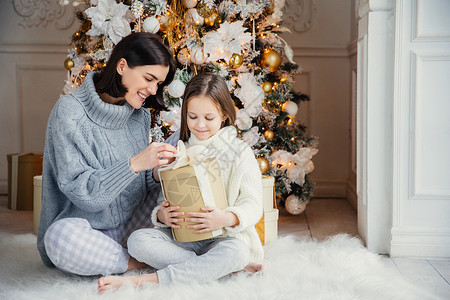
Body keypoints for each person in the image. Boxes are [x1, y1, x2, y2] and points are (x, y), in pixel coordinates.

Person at [98, 73, 264, 292]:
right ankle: (218, 269)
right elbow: (164, 199)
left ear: (224, 115)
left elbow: (253, 204)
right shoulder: (179, 150)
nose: (200, 125)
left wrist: (224, 218)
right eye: (193, 117)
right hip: (185, 239)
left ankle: (145, 281)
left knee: (238, 252)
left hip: (224, 238)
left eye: (209, 118)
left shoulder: (240, 152)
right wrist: (161, 215)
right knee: (138, 240)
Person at [37, 32, 179, 276]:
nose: (153, 89)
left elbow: (136, 187)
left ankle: (198, 245)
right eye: (149, 78)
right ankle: (139, 263)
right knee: (58, 238)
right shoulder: (70, 113)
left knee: (184, 135)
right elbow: (84, 195)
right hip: (88, 232)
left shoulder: (139, 116)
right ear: (122, 65)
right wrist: (135, 164)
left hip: (135, 226)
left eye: (159, 83)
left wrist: (154, 173)